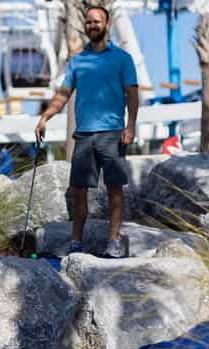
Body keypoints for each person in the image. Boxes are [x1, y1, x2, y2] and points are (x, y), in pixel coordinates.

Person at [34, 6, 139, 258]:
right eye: (89, 22)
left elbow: (132, 94)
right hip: (84, 135)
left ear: (108, 24)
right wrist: (45, 117)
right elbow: (63, 94)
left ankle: (113, 239)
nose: (92, 25)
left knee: (115, 187)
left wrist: (131, 125)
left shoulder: (122, 58)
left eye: (97, 21)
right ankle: (76, 241)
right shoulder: (77, 60)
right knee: (78, 189)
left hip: (113, 132)